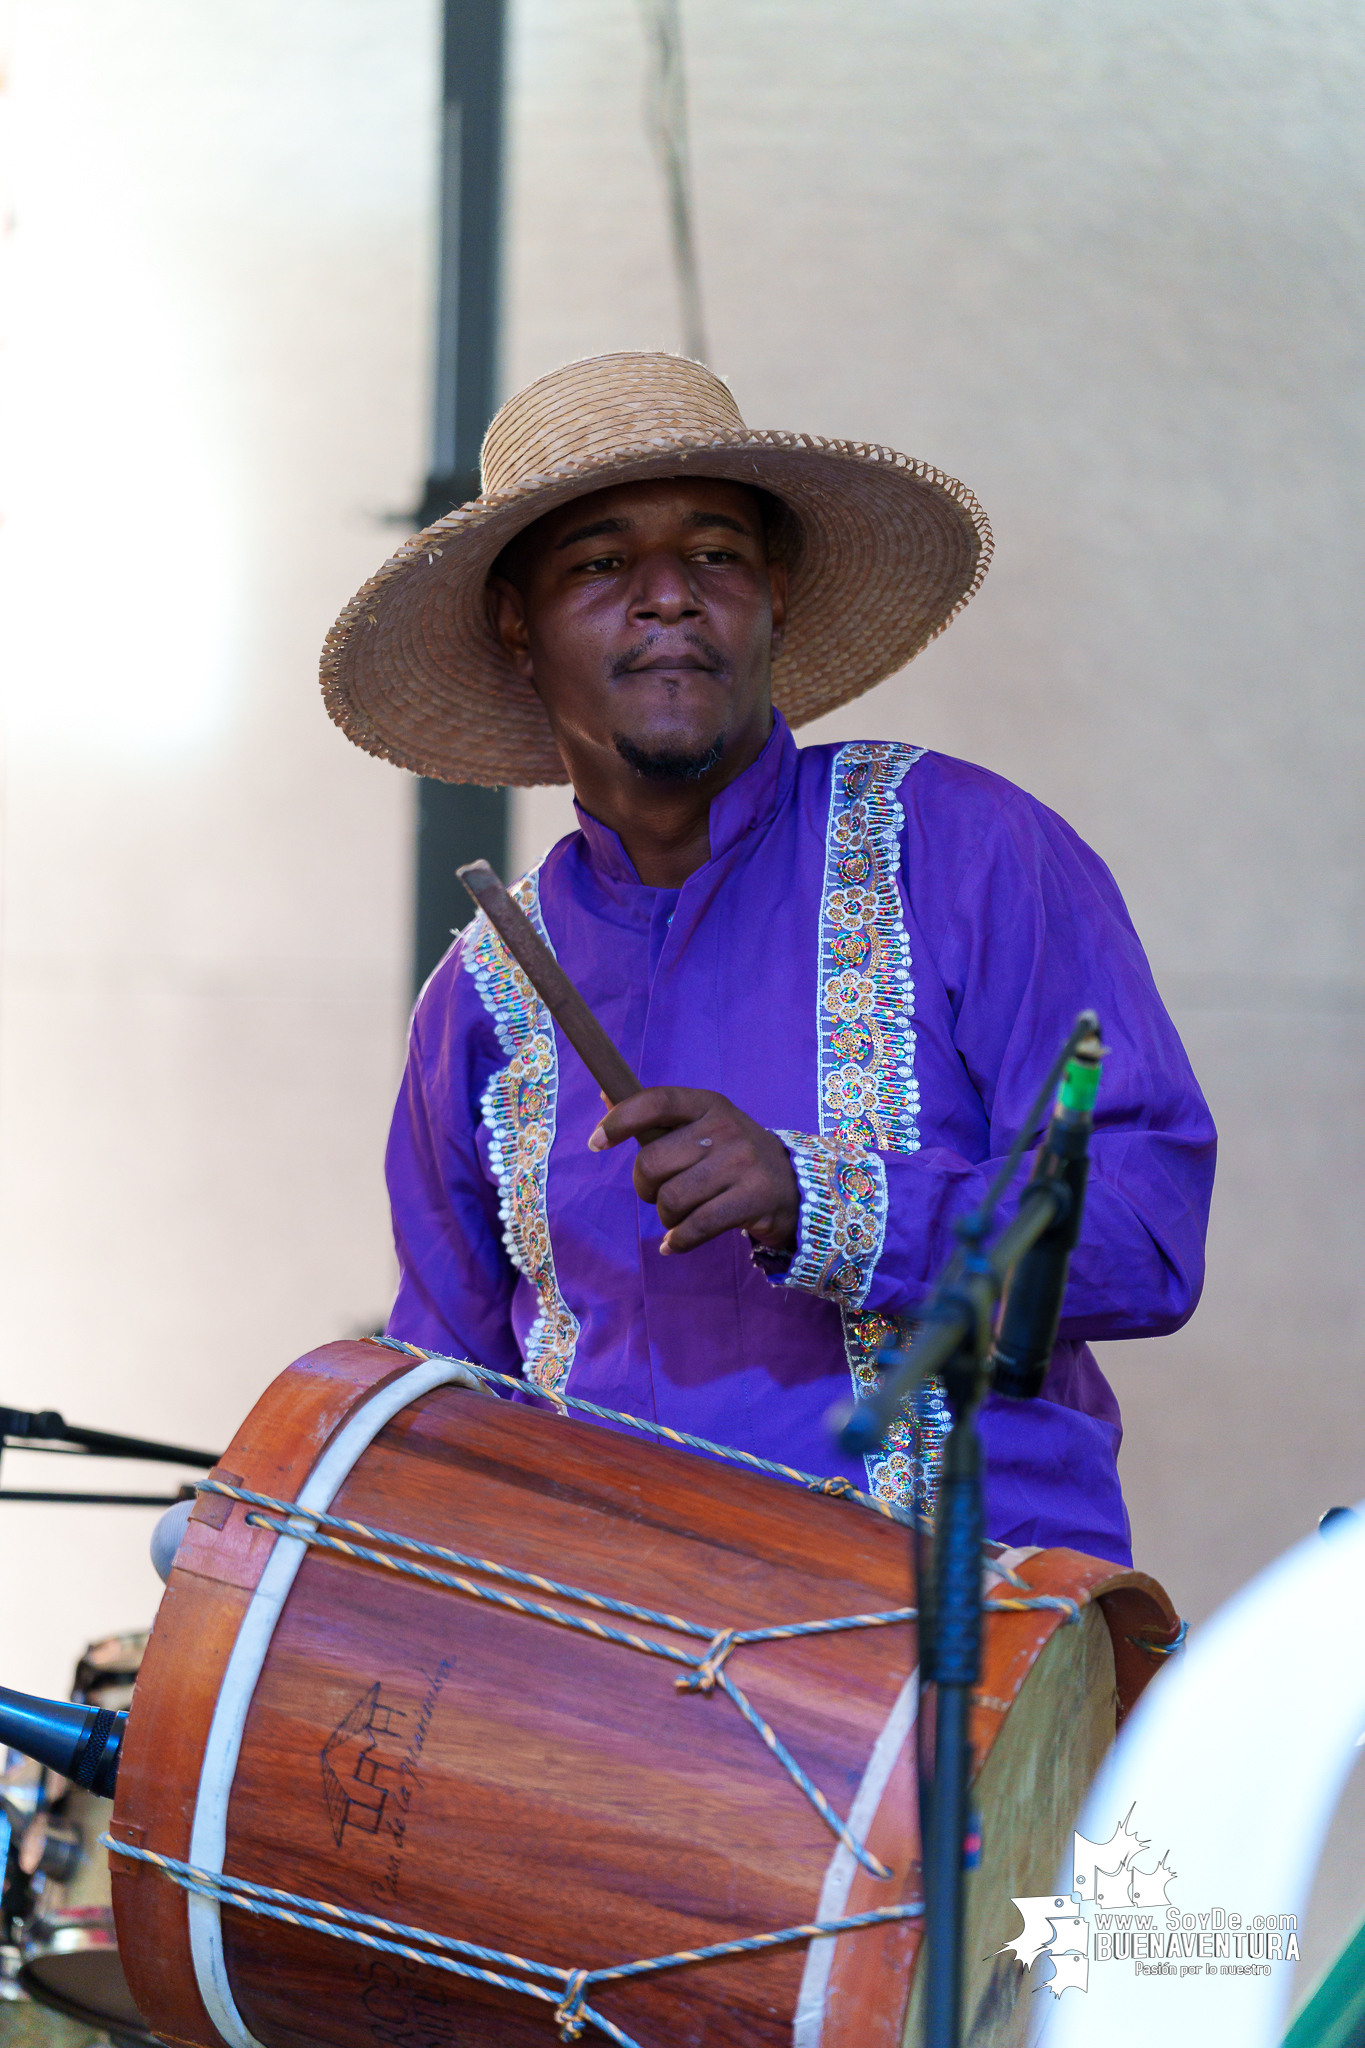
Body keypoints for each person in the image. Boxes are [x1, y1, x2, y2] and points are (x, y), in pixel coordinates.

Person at [321, 351, 1215, 1565]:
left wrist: (828, 1198)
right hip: (603, 1687)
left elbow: (1147, 1231)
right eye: (597, 564)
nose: (669, 597)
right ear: (515, 628)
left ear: (775, 596)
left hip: (960, 1672)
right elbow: (449, 1414)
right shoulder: (480, 999)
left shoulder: (961, 849)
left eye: (718, 554)